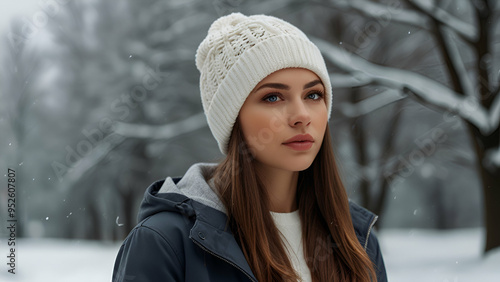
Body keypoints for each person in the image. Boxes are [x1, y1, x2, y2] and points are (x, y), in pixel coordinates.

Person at [113, 12, 387, 282]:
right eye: (272, 97)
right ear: (233, 120)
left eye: (313, 94)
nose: (301, 114)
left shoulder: (356, 241)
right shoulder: (166, 243)